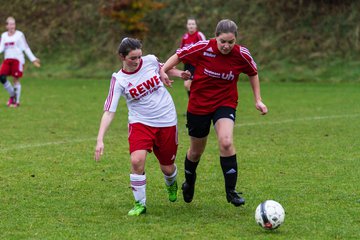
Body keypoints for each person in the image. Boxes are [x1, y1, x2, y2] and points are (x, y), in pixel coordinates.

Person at [160, 19, 268, 207]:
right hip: (198, 105)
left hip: (225, 103)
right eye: (223, 42)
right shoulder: (203, 47)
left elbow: (253, 72)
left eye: (230, 42)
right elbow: (178, 55)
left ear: (236, 40)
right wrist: (164, 70)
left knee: (226, 142)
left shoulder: (241, 54)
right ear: (215, 38)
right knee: (196, 151)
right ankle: (189, 183)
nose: (226, 46)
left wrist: (258, 99)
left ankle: (231, 192)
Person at [94, 37, 191, 216]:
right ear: (122, 57)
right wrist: (100, 139)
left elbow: (164, 68)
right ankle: (140, 204)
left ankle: (171, 183)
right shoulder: (119, 79)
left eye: (139, 56)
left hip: (166, 119)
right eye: (133, 58)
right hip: (140, 123)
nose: (138, 61)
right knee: (136, 161)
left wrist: (179, 74)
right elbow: (109, 111)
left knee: (167, 167)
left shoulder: (150, 60)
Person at [0, 16, 40, 107]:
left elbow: (25, 48)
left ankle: (16, 102)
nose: (12, 26)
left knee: (15, 79)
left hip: (17, 60)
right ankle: (12, 95)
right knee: (2, 77)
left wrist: (33, 59)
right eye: (10, 24)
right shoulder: (4, 35)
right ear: (6, 26)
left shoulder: (19, 35)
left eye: (13, 24)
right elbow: (1, 48)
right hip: (7, 60)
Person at [180, 17, 206, 97]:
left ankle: (195, 104)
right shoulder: (185, 37)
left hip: (196, 64)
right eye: (189, 24)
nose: (191, 26)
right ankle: (196, 103)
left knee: (189, 84)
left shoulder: (199, 35)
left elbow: (205, 48)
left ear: (196, 26)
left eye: (193, 24)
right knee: (187, 85)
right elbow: (181, 51)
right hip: (187, 64)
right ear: (187, 26)